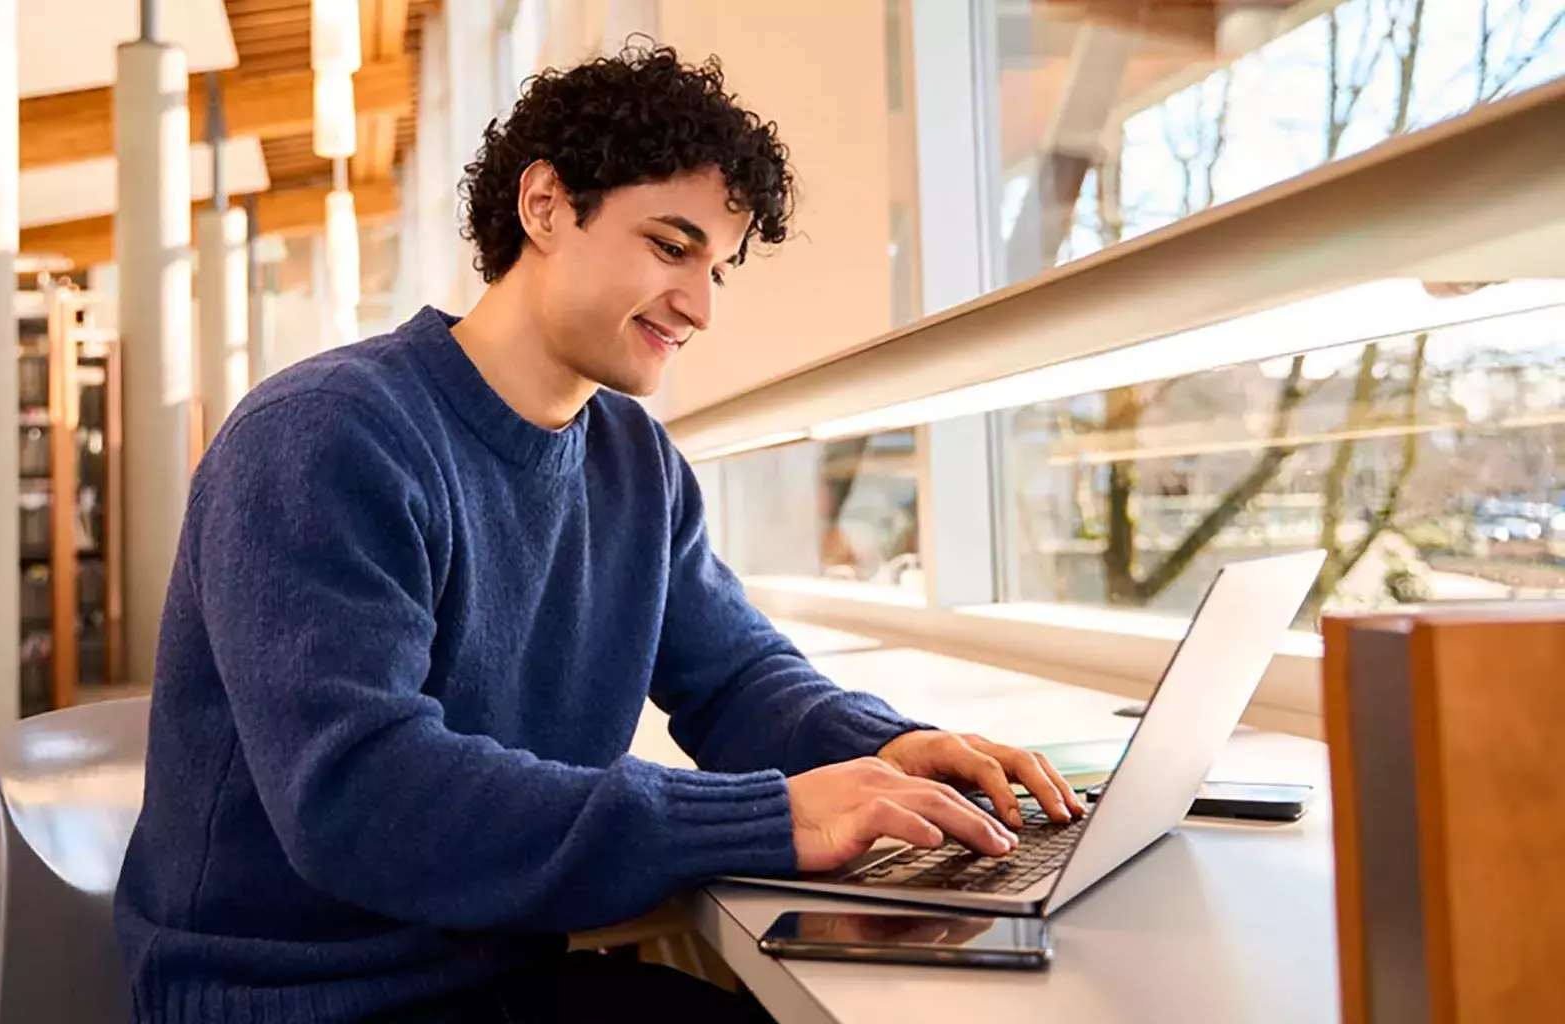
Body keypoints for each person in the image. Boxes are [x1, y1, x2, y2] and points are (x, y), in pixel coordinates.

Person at [113, 42, 1085, 1024]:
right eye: (671, 246)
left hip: (494, 969)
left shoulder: (634, 461)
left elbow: (737, 678)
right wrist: (770, 814)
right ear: (545, 205)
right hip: (297, 1000)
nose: (700, 305)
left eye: (718, 267)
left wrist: (900, 751)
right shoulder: (325, 435)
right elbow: (360, 796)